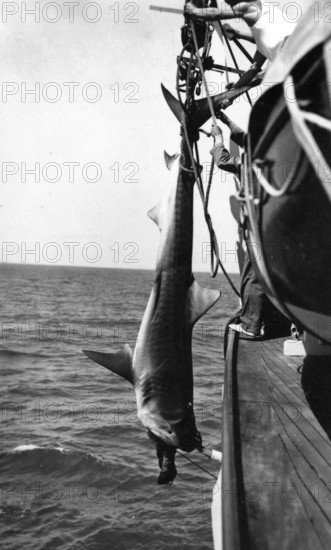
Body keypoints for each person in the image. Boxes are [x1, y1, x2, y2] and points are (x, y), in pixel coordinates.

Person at [210, 114, 266, 337]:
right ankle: (265, 321)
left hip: (256, 228)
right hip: (276, 229)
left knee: (254, 276)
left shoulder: (249, 164)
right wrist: (224, 118)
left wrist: (218, 139)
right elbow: (247, 139)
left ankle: (251, 325)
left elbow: (223, 161)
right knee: (264, 275)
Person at [185, 1, 296, 62]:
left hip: (293, 54)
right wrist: (239, 34)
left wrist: (194, 10)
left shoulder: (248, 6)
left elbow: (215, 14)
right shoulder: (263, 21)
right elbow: (257, 40)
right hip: (294, 54)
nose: (226, 1)